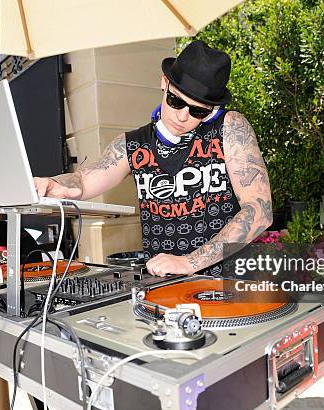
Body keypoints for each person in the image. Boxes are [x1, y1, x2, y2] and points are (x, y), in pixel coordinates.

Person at [35, 40, 272, 276]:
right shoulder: (132, 144)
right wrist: (57, 185)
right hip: (161, 288)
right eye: (176, 101)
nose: (183, 116)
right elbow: (84, 181)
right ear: (164, 82)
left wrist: (189, 262)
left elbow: (259, 210)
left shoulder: (230, 127)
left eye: (198, 111)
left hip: (226, 287)